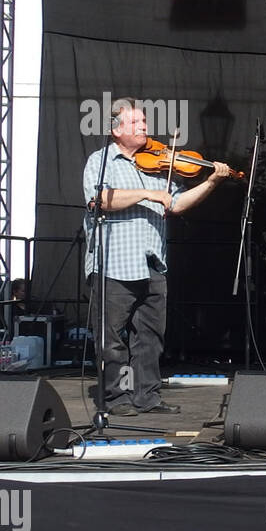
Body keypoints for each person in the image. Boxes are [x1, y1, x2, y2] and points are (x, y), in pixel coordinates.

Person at [83, 97, 234, 415]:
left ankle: (146, 396)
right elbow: (99, 199)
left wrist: (211, 181)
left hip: (152, 262)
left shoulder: (156, 164)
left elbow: (176, 204)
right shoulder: (102, 161)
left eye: (145, 122)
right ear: (116, 129)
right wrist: (146, 193)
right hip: (114, 263)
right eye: (137, 123)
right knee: (111, 338)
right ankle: (115, 398)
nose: (145, 128)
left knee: (150, 336)